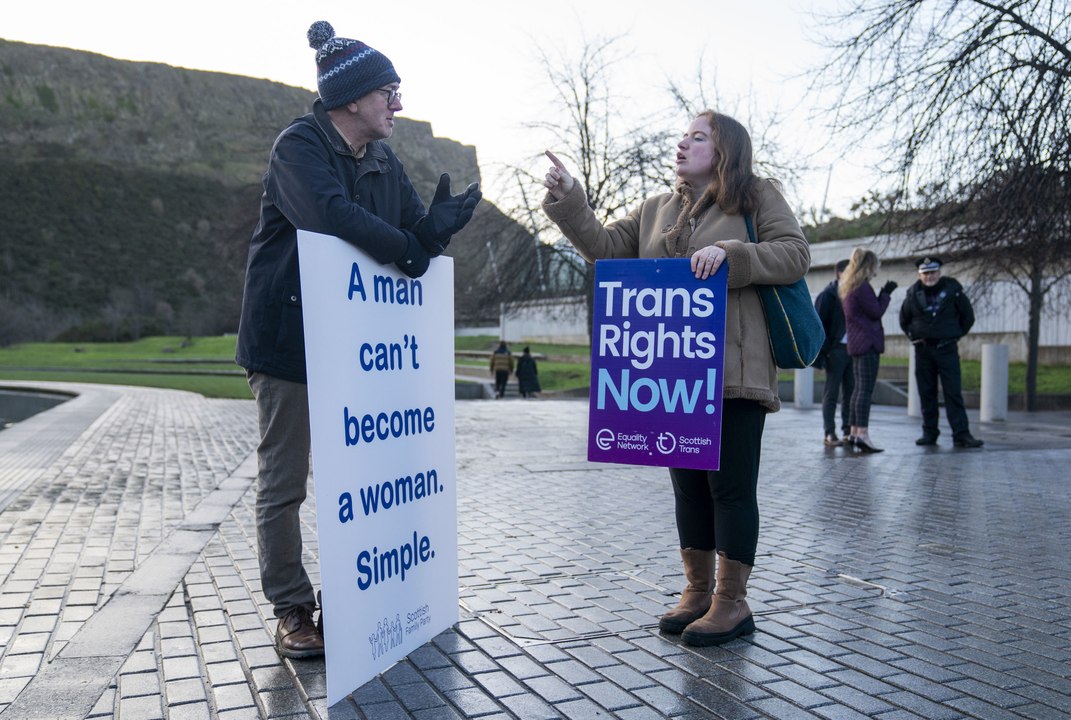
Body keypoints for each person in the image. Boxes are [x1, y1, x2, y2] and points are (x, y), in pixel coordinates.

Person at [234, 20, 480, 659]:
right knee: (285, 479)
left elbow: (411, 238)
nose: (399, 104)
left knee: (367, 472)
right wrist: (410, 245)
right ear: (350, 98)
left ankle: (360, 594)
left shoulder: (383, 159)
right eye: (388, 92)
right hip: (289, 338)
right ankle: (291, 607)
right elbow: (328, 218)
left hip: (356, 346)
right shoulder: (298, 148)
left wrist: (437, 231)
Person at [542, 110, 809, 647]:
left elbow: (795, 254)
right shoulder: (655, 208)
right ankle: (697, 592)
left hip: (734, 370)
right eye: (682, 135)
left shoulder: (757, 196)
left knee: (729, 488)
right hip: (674, 372)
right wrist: (571, 196)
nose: (682, 143)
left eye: (697, 137)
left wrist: (732, 255)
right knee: (688, 488)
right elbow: (603, 246)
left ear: (725, 149)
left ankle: (732, 602)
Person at [899, 257, 984, 448]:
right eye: (925, 273)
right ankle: (929, 433)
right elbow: (904, 320)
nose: (929, 276)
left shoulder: (953, 291)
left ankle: (961, 434)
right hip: (923, 350)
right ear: (920, 274)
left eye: (933, 272)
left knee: (953, 393)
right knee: (926, 394)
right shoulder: (913, 294)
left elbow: (967, 317)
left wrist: (954, 335)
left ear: (939, 272)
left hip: (947, 349)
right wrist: (914, 336)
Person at [839, 247, 896, 453]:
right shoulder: (862, 287)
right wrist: (886, 294)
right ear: (869, 266)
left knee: (857, 389)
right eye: (876, 266)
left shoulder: (849, 285)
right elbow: (876, 311)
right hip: (867, 343)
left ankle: (855, 432)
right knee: (865, 390)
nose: (877, 270)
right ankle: (862, 434)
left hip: (856, 343)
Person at [814, 259, 854, 447]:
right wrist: (826, 352)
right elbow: (818, 325)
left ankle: (848, 431)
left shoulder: (854, 293)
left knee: (851, 392)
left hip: (853, 350)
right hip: (835, 351)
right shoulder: (828, 295)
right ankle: (829, 432)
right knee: (831, 393)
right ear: (840, 273)